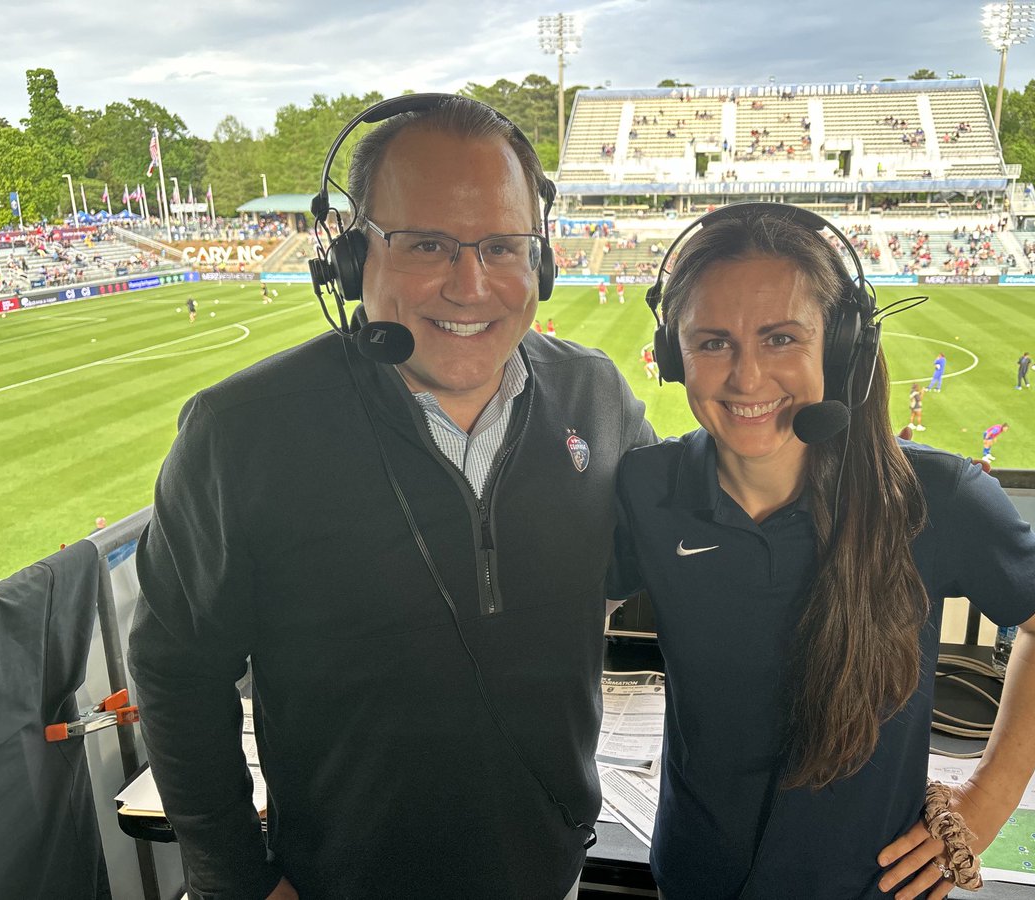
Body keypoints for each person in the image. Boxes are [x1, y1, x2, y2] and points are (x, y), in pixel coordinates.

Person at [129, 95, 653, 900]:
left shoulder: (599, 397)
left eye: (503, 246)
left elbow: (709, 548)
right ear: (349, 257)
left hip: (550, 876)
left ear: (540, 259)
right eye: (428, 245)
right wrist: (237, 880)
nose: (471, 285)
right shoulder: (240, 433)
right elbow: (175, 669)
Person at [607, 207, 1035, 900]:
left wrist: (985, 804)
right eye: (713, 342)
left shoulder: (939, 496)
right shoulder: (647, 490)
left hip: (871, 886)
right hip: (697, 877)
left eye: (779, 339)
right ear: (675, 355)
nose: (746, 377)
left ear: (839, 348)